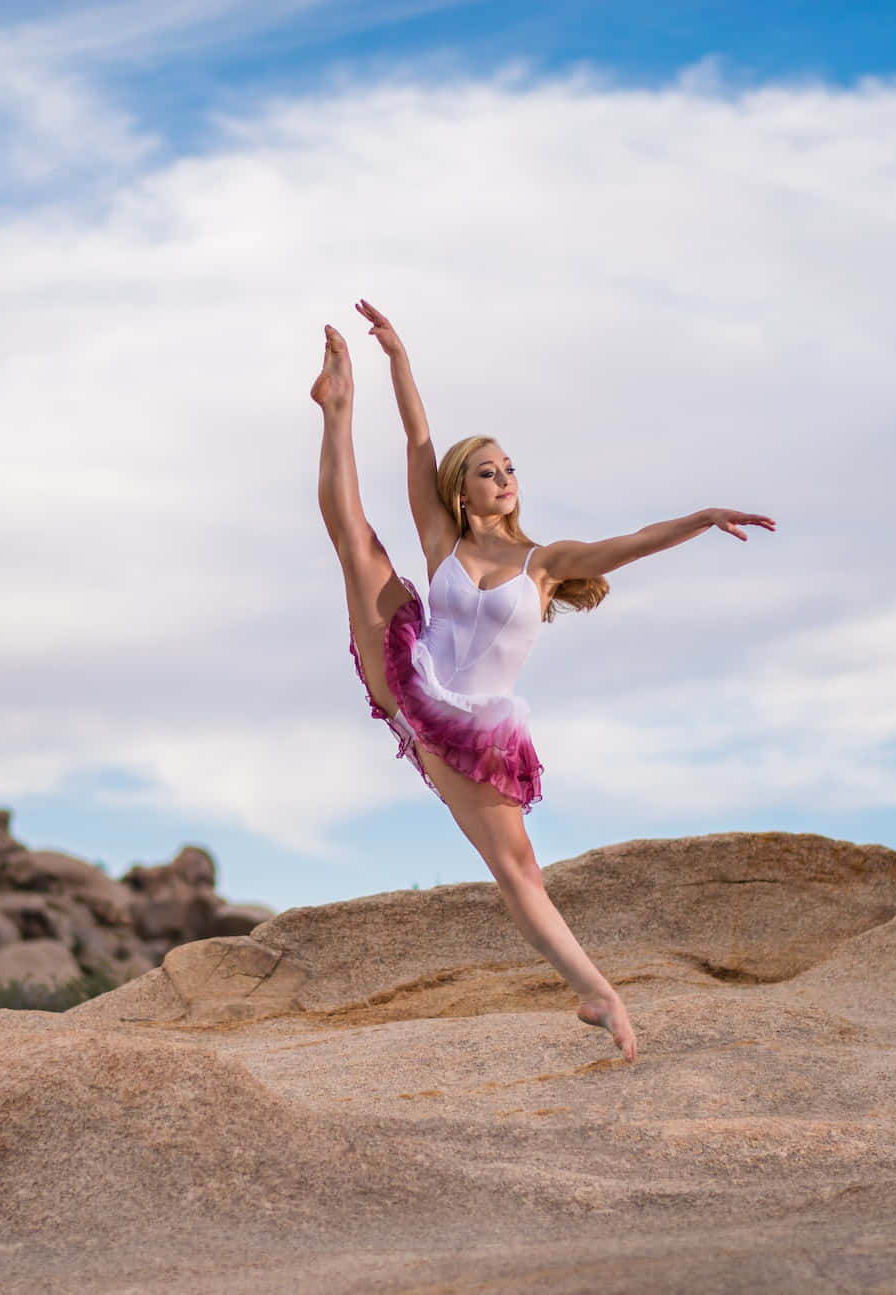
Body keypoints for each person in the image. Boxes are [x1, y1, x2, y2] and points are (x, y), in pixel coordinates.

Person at [311, 300, 775, 1062]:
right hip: (411, 667)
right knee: (355, 541)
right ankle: (335, 407)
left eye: (509, 469)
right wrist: (397, 359)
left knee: (517, 868)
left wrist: (698, 518)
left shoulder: (546, 563)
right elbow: (421, 440)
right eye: (487, 471)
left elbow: (626, 544)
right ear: (463, 490)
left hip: (471, 729)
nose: (502, 479)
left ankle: (596, 992)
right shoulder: (443, 540)